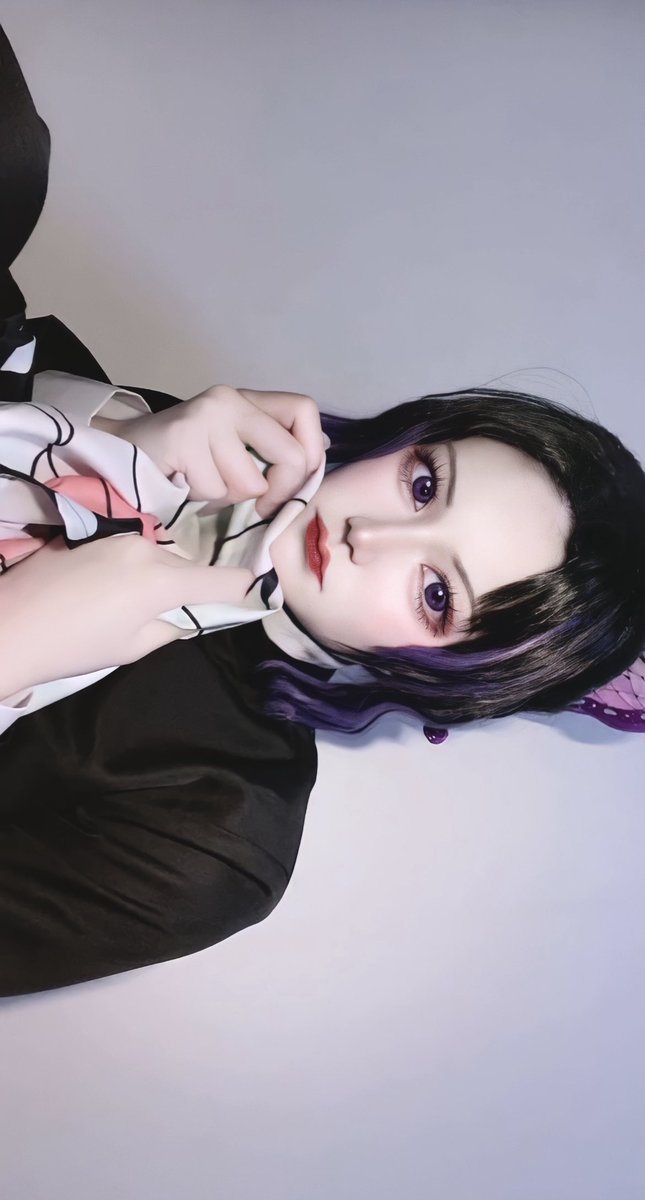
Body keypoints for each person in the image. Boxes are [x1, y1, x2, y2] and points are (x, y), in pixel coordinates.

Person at [0, 26, 643, 998]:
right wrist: (99, 424)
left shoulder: (210, 829)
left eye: (435, 593)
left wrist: (16, 642)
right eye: (422, 486)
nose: (366, 536)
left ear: (454, 679)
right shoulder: (191, 449)